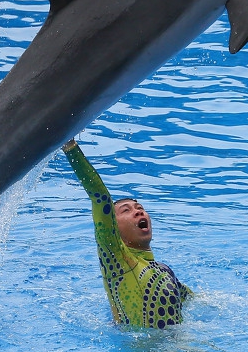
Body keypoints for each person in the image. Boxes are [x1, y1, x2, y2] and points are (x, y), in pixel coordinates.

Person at [63, 139, 191, 328]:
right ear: (113, 228)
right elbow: (100, 198)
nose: (138, 211)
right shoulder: (117, 261)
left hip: (178, 348)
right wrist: (70, 147)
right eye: (126, 210)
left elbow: (196, 300)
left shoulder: (164, 270)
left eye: (140, 207)